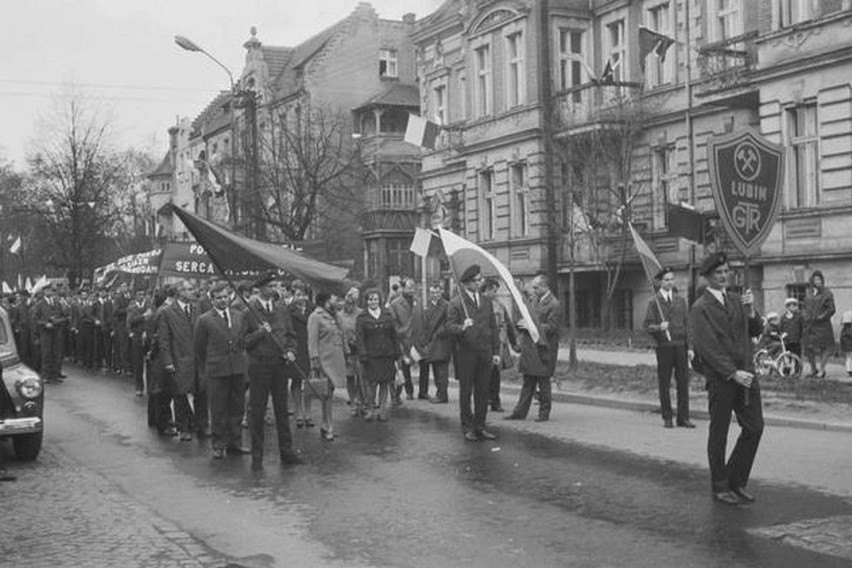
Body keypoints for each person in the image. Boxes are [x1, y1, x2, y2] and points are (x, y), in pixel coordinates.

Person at [690, 252, 763, 506]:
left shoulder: (736, 299)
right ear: (708, 277)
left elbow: (755, 330)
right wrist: (732, 373)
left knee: (754, 427)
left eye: (726, 271)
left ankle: (736, 480)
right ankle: (720, 485)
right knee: (719, 432)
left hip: (747, 374)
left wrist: (751, 310)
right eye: (718, 273)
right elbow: (707, 347)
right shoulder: (700, 308)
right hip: (723, 378)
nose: (723, 276)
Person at [241, 273, 302, 469]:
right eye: (271, 285)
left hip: (279, 365)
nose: (275, 288)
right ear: (261, 288)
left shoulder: (281, 309)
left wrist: (291, 351)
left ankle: (287, 451)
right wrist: (260, 332)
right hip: (259, 366)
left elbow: (291, 336)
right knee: (257, 412)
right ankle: (257, 456)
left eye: (277, 284)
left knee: (282, 410)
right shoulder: (249, 312)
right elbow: (242, 342)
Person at [446, 265, 500, 441]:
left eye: (480, 280)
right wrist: (462, 327)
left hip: (484, 352)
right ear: (467, 283)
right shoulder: (456, 302)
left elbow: (493, 327)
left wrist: (496, 351)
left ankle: (480, 425)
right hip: (466, 353)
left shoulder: (486, 301)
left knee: (483, 391)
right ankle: (467, 426)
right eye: (476, 281)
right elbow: (449, 327)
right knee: (466, 391)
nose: (480, 283)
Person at [195, 282, 248, 459]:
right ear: (212, 300)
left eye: (225, 297)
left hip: (237, 369)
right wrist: (211, 363)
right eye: (219, 298)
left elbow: (242, 340)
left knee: (237, 407)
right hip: (217, 370)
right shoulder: (204, 320)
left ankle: (235, 442)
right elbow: (200, 348)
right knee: (218, 409)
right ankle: (218, 444)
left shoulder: (239, 316)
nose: (223, 300)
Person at [505, 274, 561, 422]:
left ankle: (544, 413)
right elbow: (529, 318)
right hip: (531, 348)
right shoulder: (534, 300)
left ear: (545, 287)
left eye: (536, 287)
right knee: (527, 383)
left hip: (544, 349)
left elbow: (552, 327)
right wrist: (522, 325)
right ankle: (519, 412)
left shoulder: (554, 304)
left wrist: (530, 326)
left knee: (543, 382)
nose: (533, 290)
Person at [643, 267, 694, 429]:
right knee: (664, 383)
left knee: (683, 383)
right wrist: (659, 327)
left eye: (672, 279)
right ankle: (667, 417)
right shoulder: (654, 301)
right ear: (660, 282)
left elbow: (688, 326)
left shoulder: (681, 300)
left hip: (680, 346)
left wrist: (690, 347)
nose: (670, 282)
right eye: (666, 280)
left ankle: (683, 417)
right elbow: (647, 326)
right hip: (664, 347)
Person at [159, 279, 203, 441]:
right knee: (180, 393)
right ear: (180, 292)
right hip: (179, 358)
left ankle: (200, 424)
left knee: (200, 392)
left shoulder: (198, 308)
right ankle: (183, 427)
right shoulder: (168, 312)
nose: (193, 291)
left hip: (197, 358)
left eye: (192, 289)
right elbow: (164, 340)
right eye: (189, 289)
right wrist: (168, 361)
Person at [307, 291, 348, 440]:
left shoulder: (334, 315)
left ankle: (326, 424)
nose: (336, 300)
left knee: (329, 393)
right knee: (325, 394)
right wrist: (314, 360)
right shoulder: (315, 317)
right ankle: (328, 425)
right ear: (325, 301)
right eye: (334, 298)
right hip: (324, 361)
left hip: (336, 359)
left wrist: (346, 352)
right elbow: (312, 341)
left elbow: (341, 335)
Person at [356, 288, 400, 422]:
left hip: (387, 354)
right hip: (371, 356)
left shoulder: (387, 314)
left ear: (379, 300)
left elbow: (394, 335)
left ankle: (382, 410)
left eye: (375, 299)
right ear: (366, 301)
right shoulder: (362, 317)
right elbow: (360, 337)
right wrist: (362, 354)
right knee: (372, 384)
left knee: (385, 383)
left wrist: (397, 353)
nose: (373, 302)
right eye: (370, 299)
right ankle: (370, 409)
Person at [480, 277, 517, 412]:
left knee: (495, 375)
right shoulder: (477, 305)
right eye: (494, 291)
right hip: (482, 345)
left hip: (497, 346)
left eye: (496, 291)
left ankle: (495, 401)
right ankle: (484, 400)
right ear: (486, 291)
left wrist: (514, 344)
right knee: (482, 376)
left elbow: (508, 325)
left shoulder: (500, 307)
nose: (496, 294)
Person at [415, 281, 452, 404]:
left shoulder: (447, 306)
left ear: (441, 292)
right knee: (436, 369)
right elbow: (425, 324)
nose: (434, 294)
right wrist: (424, 340)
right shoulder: (428, 306)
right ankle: (439, 393)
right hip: (430, 341)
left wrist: (438, 333)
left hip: (442, 341)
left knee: (442, 370)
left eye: (437, 292)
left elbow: (449, 323)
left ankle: (442, 395)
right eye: (432, 292)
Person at [286, 280, 315, 428]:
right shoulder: (288, 310)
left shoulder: (313, 309)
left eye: (304, 294)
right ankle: (298, 412)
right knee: (297, 380)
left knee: (309, 382)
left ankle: (308, 413)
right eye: (298, 294)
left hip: (310, 347)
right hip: (296, 348)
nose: (301, 297)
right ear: (293, 295)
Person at [389, 277, 420, 401]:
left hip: (416, 338)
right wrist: (404, 331)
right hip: (402, 340)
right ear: (402, 288)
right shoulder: (395, 304)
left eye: (413, 288)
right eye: (409, 288)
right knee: (403, 367)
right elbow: (394, 325)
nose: (412, 291)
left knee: (421, 363)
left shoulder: (417, 301)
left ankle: (422, 391)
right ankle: (405, 391)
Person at [802, 270, 836, 378]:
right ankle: (813, 369)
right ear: (812, 281)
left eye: (819, 279)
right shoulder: (809, 293)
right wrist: (805, 316)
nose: (818, 281)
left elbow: (831, 309)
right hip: (810, 325)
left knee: (824, 347)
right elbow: (804, 307)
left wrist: (821, 317)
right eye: (816, 279)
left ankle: (822, 369)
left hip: (822, 325)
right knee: (808, 347)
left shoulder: (827, 293)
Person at [337, 286, 364, 415]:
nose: (350, 305)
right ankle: (353, 401)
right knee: (350, 377)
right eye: (348, 302)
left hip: (359, 349)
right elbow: (338, 332)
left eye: (353, 302)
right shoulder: (339, 316)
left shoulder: (361, 313)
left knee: (361, 376)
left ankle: (360, 399)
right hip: (346, 350)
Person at [31, 284, 66, 384]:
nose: (50, 292)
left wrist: (58, 321)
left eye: (52, 291)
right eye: (48, 291)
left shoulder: (57, 303)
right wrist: (45, 323)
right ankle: (46, 375)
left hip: (56, 331)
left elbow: (65, 316)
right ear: (44, 292)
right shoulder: (40, 304)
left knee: (57, 353)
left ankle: (55, 375)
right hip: (45, 332)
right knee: (46, 354)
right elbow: (35, 319)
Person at [126, 288, 148, 396]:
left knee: (150, 361)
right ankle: (139, 387)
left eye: (143, 294)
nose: (141, 296)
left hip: (148, 335)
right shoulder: (132, 307)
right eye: (139, 294)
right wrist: (143, 316)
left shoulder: (149, 305)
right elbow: (130, 321)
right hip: (137, 335)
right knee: (138, 362)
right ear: (136, 296)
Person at [840, 311, 852, 377]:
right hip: (850, 346)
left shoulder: (844, 329)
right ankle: (850, 370)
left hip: (846, 346)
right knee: (850, 357)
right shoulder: (850, 328)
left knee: (848, 357)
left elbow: (841, 338)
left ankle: (849, 370)